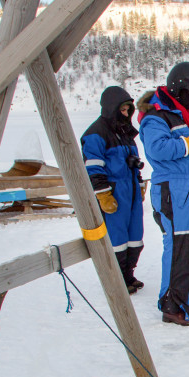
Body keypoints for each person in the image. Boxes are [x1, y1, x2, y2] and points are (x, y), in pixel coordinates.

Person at [137, 61, 189, 326]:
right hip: (174, 191)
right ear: (181, 88)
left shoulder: (185, 114)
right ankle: (171, 306)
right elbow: (158, 149)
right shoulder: (157, 117)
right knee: (178, 249)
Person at [81, 85, 145, 293]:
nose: (126, 114)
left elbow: (135, 162)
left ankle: (128, 274)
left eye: (128, 110)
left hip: (131, 191)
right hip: (114, 192)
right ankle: (117, 280)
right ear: (112, 108)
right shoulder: (96, 133)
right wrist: (103, 194)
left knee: (135, 237)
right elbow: (93, 166)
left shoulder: (125, 132)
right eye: (122, 110)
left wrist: (140, 184)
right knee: (116, 239)